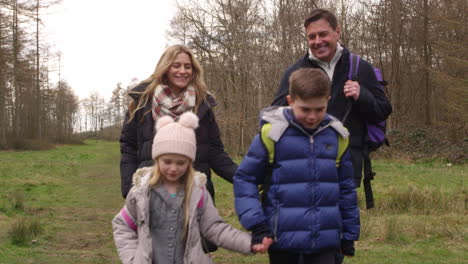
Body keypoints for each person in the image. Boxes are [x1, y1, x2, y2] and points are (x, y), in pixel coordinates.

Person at [234, 68, 360, 264]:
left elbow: (345, 188)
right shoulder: (271, 134)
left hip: (326, 242)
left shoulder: (337, 136)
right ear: (290, 101)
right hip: (282, 241)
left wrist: (349, 232)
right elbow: (245, 179)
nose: (312, 116)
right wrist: (257, 224)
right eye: (305, 109)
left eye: (319, 109)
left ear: (328, 99)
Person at [113, 112, 272, 264]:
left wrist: (248, 243)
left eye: (181, 162)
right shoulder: (141, 193)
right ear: (156, 159)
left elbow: (215, 229)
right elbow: (123, 225)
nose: (173, 168)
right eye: (167, 161)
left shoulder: (198, 193)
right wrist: (132, 259)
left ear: (190, 162)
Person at [272, 8, 392, 188]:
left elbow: (383, 111)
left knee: (343, 214)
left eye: (323, 34)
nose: (317, 41)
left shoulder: (360, 67)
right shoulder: (295, 73)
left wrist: (363, 96)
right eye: (311, 37)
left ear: (337, 32)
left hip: (348, 164)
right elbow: (276, 117)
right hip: (305, 165)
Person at [120, 44, 237, 202]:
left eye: (187, 67)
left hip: (195, 197)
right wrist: (129, 189)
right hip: (150, 195)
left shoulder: (202, 105)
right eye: (176, 65)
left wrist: (246, 179)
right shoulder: (142, 104)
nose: (183, 71)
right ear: (165, 68)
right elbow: (129, 150)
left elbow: (215, 152)